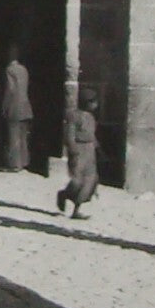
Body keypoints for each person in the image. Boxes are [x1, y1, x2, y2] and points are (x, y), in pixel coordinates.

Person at [57, 85, 99, 220]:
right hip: (79, 150)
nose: (95, 105)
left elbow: (91, 135)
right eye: (93, 102)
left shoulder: (91, 117)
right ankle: (65, 194)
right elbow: (69, 135)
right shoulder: (74, 116)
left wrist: (97, 148)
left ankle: (76, 209)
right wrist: (73, 150)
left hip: (89, 150)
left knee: (90, 181)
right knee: (77, 180)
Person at [1, 46, 33, 172]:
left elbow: (11, 89)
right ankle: (24, 161)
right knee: (23, 135)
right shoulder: (24, 70)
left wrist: (4, 105)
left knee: (13, 135)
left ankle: (14, 164)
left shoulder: (9, 70)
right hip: (26, 105)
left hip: (14, 106)